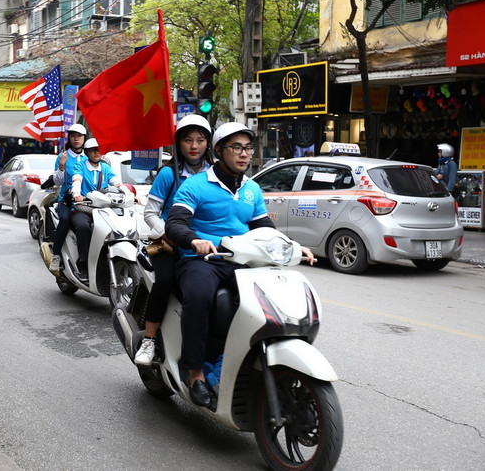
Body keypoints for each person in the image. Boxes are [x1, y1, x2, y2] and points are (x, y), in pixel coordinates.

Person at [165, 122, 314, 407]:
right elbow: (175, 223)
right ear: (218, 151)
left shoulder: (252, 189)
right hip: (203, 260)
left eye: (248, 148)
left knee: (267, 301)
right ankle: (195, 373)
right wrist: (194, 240)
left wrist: (293, 245)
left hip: (241, 260)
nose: (244, 154)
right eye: (236, 147)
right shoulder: (195, 185)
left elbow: (265, 228)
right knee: (199, 296)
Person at [134, 115, 214, 366]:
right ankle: (149, 339)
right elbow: (150, 213)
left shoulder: (215, 174)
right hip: (169, 245)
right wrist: (169, 233)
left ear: (209, 143)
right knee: (165, 281)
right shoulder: (168, 174)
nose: (194, 146)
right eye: (188, 140)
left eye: (200, 140)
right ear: (178, 143)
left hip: (203, 244)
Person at [70, 138, 129, 282]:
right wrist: (76, 194)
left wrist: (130, 194)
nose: (97, 153)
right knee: (83, 227)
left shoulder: (105, 168)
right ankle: (83, 264)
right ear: (87, 152)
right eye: (93, 150)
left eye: (99, 150)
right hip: (84, 208)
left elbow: (117, 183)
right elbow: (77, 180)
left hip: (102, 209)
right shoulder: (80, 165)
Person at [48, 123, 88, 273]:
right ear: (69, 138)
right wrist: (61, 166)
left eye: (79, 136)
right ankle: (56, 255)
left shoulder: (88, 157)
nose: (76, 139)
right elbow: (58, 182)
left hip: (86, 200)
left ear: (84, 138)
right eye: (73, 136)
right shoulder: (63, 156)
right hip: (67, 199)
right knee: (65, 219)